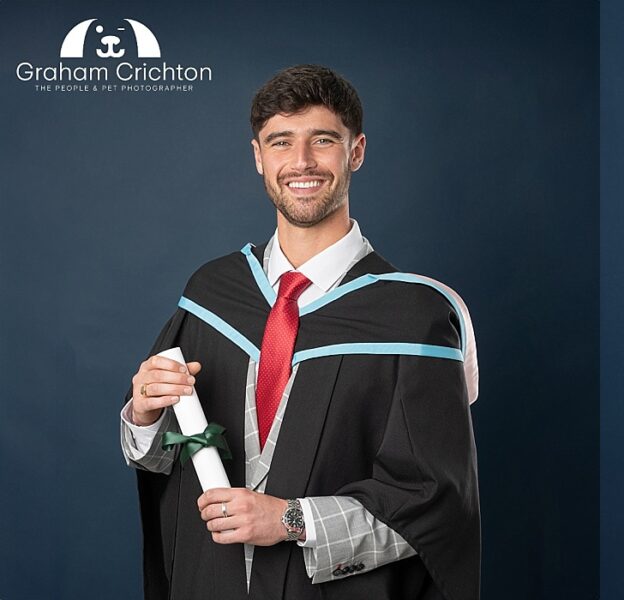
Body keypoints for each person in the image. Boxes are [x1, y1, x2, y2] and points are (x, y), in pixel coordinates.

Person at [118, 65, 481, 600]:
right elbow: (164, 461)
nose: (302, 162)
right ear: (258, 156)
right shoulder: (212, 293)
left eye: (323, 140)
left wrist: (290, 520)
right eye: (281, 142)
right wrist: (144, 417)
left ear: (355, 152)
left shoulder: (416, 316)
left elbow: (434, 506)